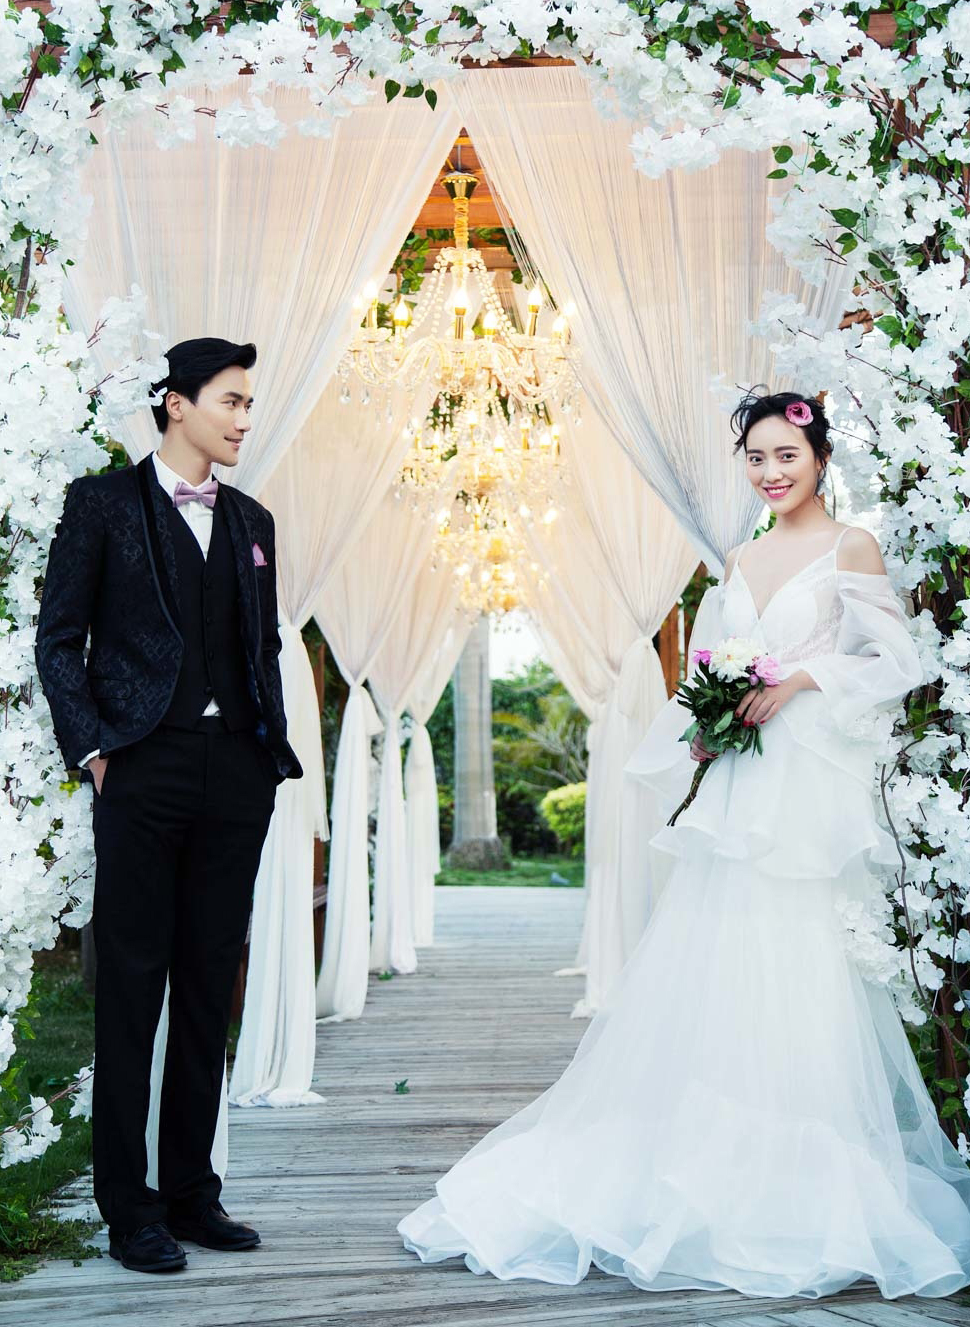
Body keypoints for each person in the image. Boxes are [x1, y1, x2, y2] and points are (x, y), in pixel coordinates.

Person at [398, 389, 970, 1300]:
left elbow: (897, 661)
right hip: (740, 787)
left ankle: (793, 1171)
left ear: (820, 459)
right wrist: (704, 725)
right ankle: (701, 1154)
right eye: (756, 458)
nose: (770, 472)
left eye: (786, 455)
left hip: (803, 792)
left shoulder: (850, 546)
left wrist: (800, 680)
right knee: (718, 952)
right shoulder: (737, 558)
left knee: (798, 957)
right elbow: (705, 668)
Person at [36, 337, 302, 1275]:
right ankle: (129, 1209)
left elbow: (261, 649)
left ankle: (193, 1192)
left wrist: (265, 752)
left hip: (236, 772)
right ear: (175, 403)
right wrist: (98, 750)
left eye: (248, 404)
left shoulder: (254, 519)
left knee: (207, 985)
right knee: (132, 989)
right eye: (230, 400)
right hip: (142, 769)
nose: (243, 419)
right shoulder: (102, 505)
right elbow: (59, 639)